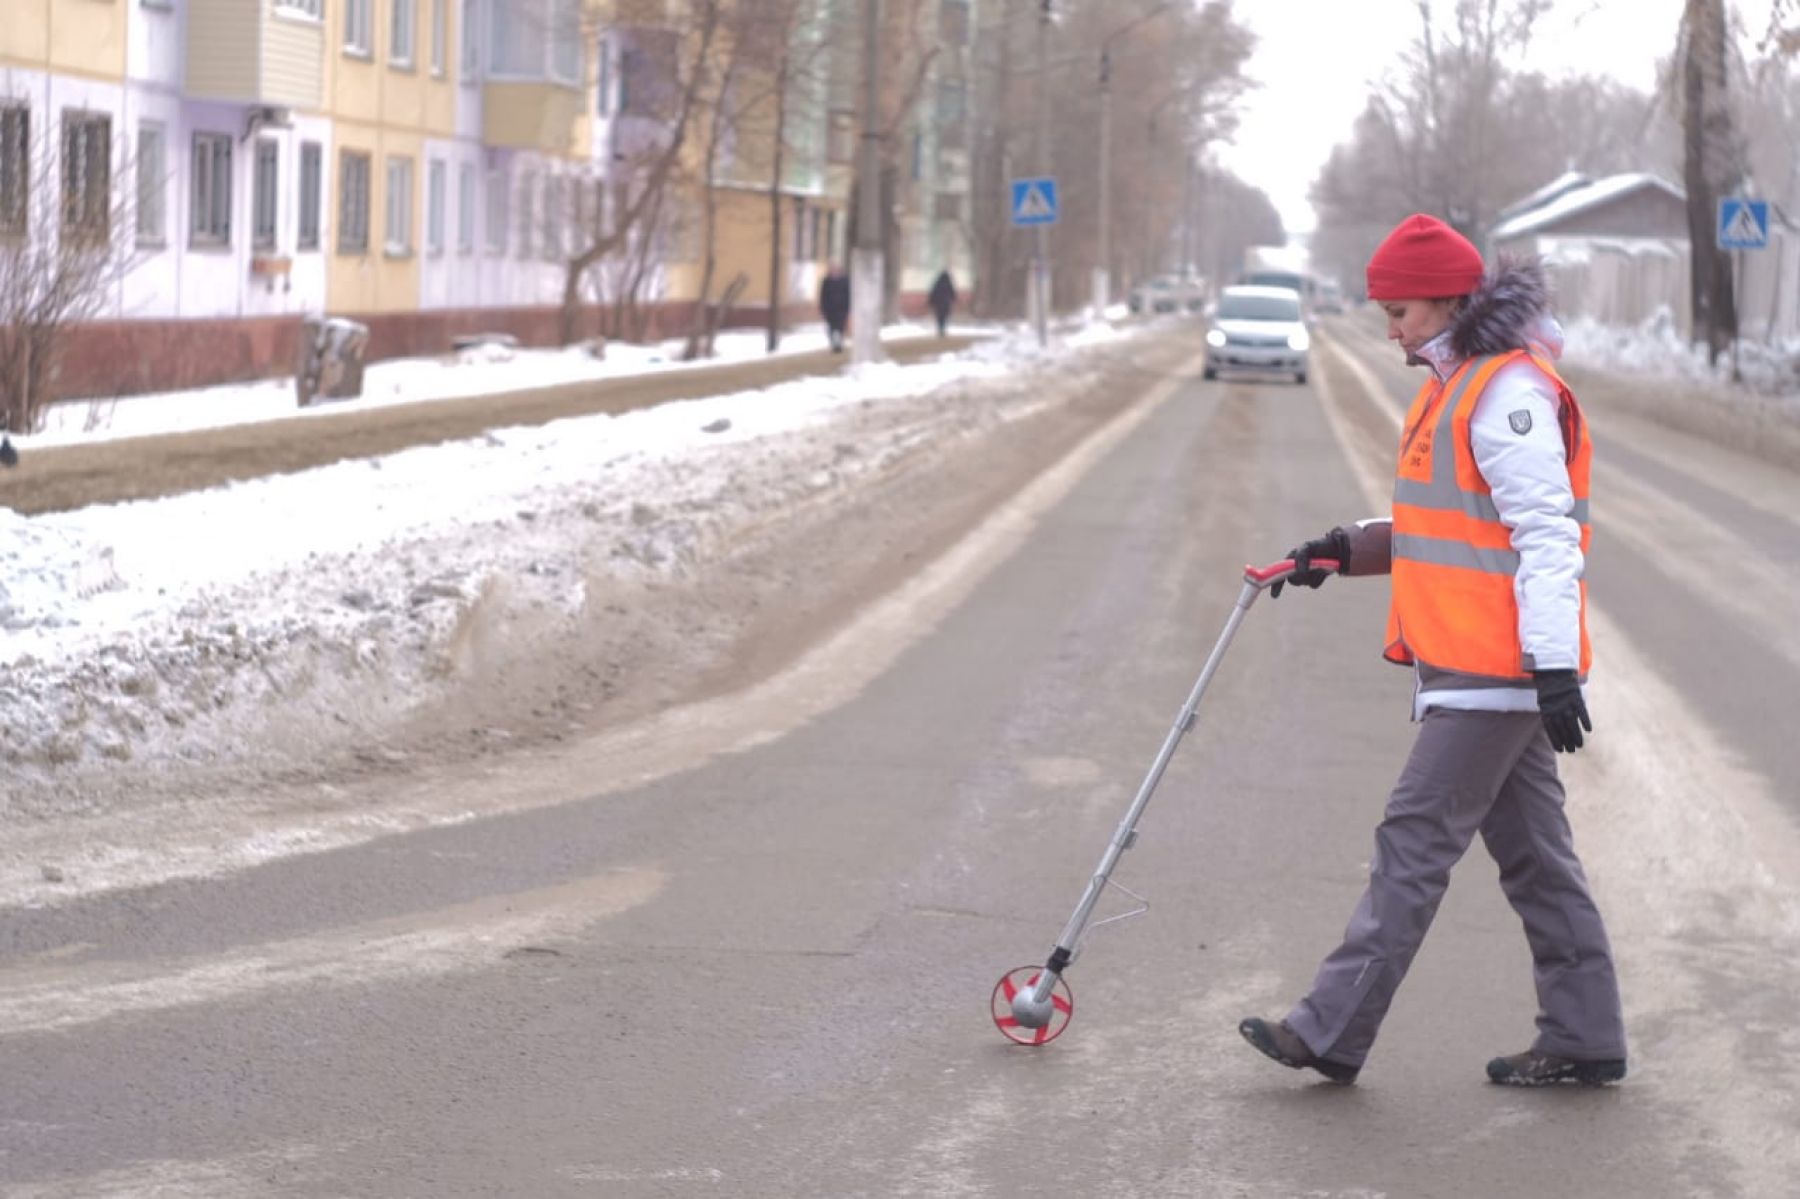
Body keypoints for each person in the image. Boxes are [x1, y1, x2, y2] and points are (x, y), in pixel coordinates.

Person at [1237, 213, 1627, 1088]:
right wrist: (1344, 548)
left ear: (1449, 301)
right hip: (1481, 668)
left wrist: (1555, 665)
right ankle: (1585, 1032)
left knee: (1412, 841)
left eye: (1402, 311)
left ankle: (1330, 1029)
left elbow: (1545, 534)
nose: (1391, 330)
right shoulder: (1455, 386)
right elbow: (1442, 526)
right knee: (1536, 858)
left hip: (1496, 671)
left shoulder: (1507, 393)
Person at [819, 265, 851, 353]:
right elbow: (823, 296)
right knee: (832, 328)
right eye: (832, 270)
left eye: (835, 270)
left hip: (841, 309)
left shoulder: (844, 281)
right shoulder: (827, 282)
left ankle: (839, 344)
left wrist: (848, 308)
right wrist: (823, 309)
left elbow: (848, 295)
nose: (834, 272)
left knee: (839, 327)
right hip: (830, 310)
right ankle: (834, 344)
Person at [928, 268, 958, 337]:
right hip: (946, 303)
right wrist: (954, 299)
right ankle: (943, 328)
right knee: (944, 316)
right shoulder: (949, 284)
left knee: (939, 316)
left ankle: (940, 328)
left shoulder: (937, 284)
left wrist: (931, 302)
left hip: (938, 304)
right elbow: (952, 293)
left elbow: (933, 293)